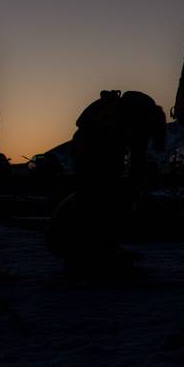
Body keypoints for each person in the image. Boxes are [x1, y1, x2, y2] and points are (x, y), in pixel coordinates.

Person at [48, 90, 165, 279]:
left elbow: (135, 160)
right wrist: (133, 188)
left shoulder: (126, 115)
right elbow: (136, 160)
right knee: (101, 202)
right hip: (95, 153)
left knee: (98, 200)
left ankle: (92, 255)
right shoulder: (137, 121)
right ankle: (94, 257)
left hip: (88, 152)